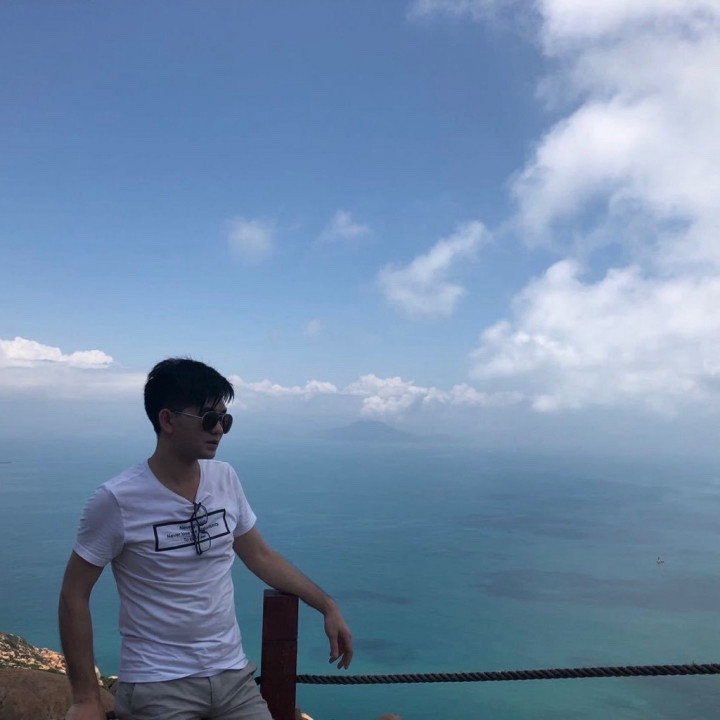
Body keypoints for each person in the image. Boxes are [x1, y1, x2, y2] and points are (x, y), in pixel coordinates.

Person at [59, 357, 353, 720]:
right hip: (158, 684)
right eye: (208, 419)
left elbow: (260, 555)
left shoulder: (224, 478)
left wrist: (326, 605)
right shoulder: (117, 499)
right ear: (167, 420)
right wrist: (86, 697)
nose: (219, 430)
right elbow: (74, 594)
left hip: (233, 678)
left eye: (225, 420)